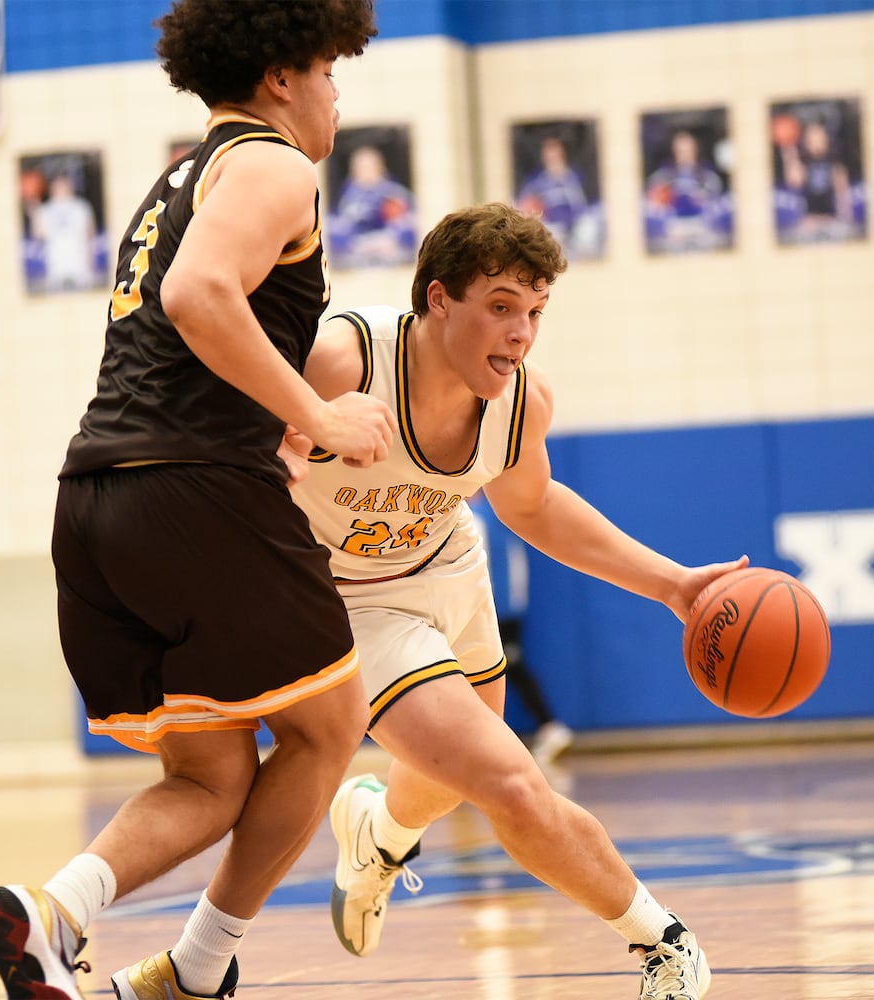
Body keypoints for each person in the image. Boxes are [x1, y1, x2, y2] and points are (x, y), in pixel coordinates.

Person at [0, 4, 394, 1000]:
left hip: (96, 503)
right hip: (191, 489)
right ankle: (199, 974)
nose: (339, 91)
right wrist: (321, 418)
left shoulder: (180, 179)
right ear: (284, 71)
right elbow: (199, 296)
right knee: (330, 727)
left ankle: (51, 916)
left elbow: (186, 341)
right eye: (331, 68)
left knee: (211, 778)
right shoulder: (276, 164)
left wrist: (281, 427)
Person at [287, 202, 749, 997]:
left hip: (449, 566)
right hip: (351, 601)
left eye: (534, 312)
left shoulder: (520, 400)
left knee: (450, 774)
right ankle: (663, 944)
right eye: (500, 308)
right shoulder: (341, 360)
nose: (521, 333)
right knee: (508, 782)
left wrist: (672, 584)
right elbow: (239, 454)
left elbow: (530, 507)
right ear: (437, 299)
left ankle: (379, 835)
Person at [467, 489, 574, 766]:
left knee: (503, 668)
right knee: (495, 669)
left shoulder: (480, 516)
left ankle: (546, 728)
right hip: (502, 605)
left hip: (494, 607)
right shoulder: (497, 512)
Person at [327, 143, 417, 267]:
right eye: (361, 167)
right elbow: (334, 229)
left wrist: (383, 242)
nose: (365, 171)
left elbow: (407, 226)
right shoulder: (344, 199)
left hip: (390, 258)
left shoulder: (395, 195)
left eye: (369, 166)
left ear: (380, 167)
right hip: (354, 260)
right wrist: (355, 244)